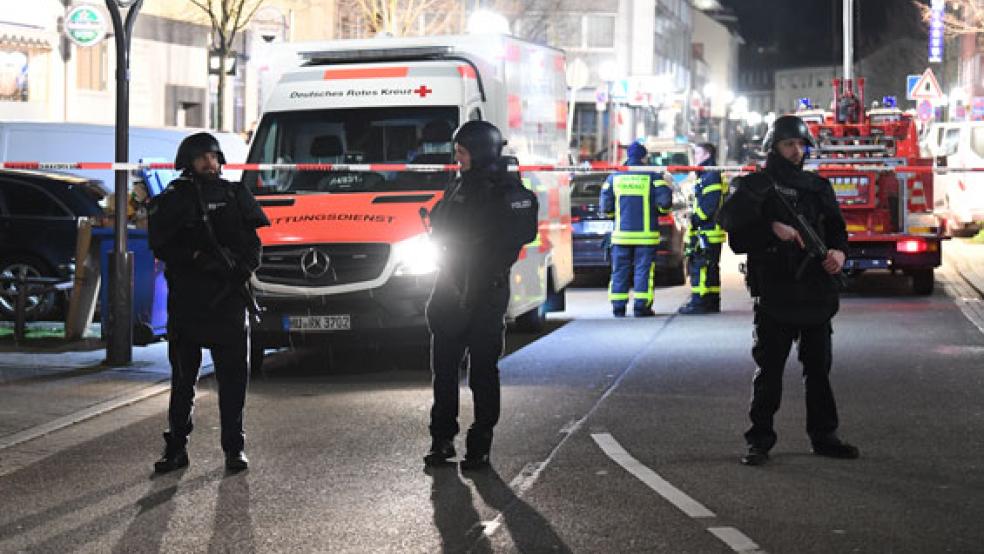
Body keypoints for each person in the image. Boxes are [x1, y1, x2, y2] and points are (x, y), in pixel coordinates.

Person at [718, 115, 859, 466]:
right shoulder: (757, 186)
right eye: (788, 145)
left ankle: (825, 436)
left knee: (818, 370)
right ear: (774, 147)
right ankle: (760, 440)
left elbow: (838, 231)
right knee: (770, 371)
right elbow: (735, 234)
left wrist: (839, 253)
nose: (796, 151)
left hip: (816, 291)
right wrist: (771, 229)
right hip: (776, 292)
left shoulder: (817, 187)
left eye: (800, 145)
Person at [148, 132, 270, 473]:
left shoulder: (234, 194)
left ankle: (234, 447)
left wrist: (241, 270)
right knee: (183, 381)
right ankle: (176, 447)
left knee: (233, 381)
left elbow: (254, 244)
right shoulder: (174, 199)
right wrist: (196, 258)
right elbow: (160, 244)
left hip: (229, 302)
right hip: (189, 301)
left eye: (214, 156)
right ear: (188, 161)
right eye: (202, 157)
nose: (209, 162)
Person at [423, 120, 537, 470]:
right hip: (451, 288)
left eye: (462, 152)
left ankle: (480, 443)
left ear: (479, 151)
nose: (457, 159)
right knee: (444, 370)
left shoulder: (504, 191)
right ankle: (442, 440)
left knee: (482, 372)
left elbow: (511, 240)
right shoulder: (459, 186)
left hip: (485, 292)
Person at [599, 142, 672, 317]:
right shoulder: (653, 176)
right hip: (646, 236)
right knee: (643, 270)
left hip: (621, 236)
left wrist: (616, 215)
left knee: (619, 270)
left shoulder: (614, 177)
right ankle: (641, 307)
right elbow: (665, 204)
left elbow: (605, 206)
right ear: (644, 157)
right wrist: (658, 212)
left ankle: (618, 307)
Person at [679, 143, 725, 314]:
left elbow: (709, 205)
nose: (695, 157)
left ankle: (699, 302)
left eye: (697, 153)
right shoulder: (706, 174)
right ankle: (712, 301)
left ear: (707, 154)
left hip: (706, 230)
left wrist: (694, 219)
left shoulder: (710, 176)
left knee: (701, 266)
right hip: (710, 230)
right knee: (711, 267)